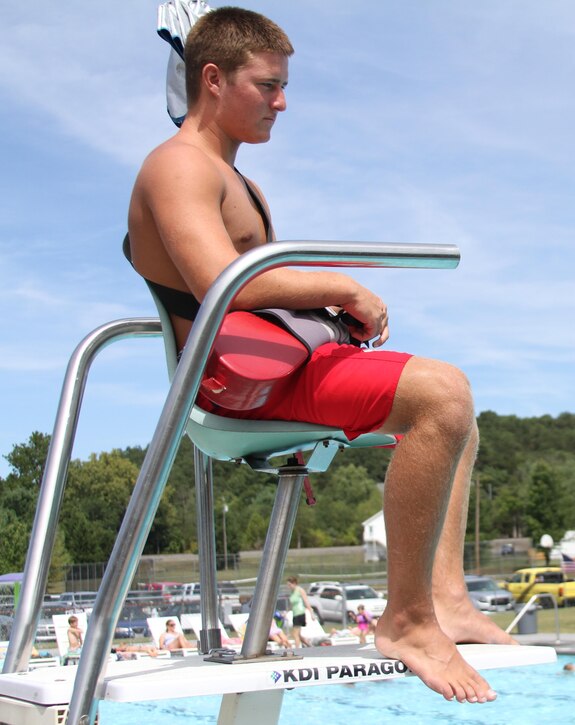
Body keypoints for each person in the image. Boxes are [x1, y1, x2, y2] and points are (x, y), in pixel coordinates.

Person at [125, 7, 508, 703]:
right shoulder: (176, 166)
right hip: (227, 384)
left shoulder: (232, 178)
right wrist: (341, 285)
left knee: (458, 415)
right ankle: (407, 619)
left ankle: (445, 597)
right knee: (441, 393)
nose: (282, 101)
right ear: (212, 79)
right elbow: (221, 282)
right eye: (268, 85)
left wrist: (326, 306)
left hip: (269, 368)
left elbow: (254, 286)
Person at [286, 576, 315, 647]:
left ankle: (297, 650)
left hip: (300, 613)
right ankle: (309, 645)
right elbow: (292, 604)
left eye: (290, 585)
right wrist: (287, 612)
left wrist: (311, 613)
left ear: (294, 583)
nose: (289, 587)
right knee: (298, 634)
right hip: (295, 614)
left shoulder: (300, 590)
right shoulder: (292, 592)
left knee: (295, 634)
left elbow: (306, 601)